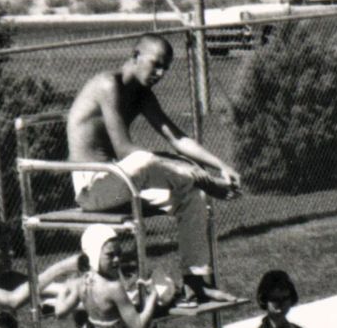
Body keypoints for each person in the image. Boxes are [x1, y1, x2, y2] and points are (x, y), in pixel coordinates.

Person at [63, 33, 240, 212]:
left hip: (120, 182)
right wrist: (179, 166)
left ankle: (203, 194)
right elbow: (124, 150)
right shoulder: (107, 85)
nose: (160, 74)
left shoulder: (143, 95)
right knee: (147, 160)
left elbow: (177, 139)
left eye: (165, 69)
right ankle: (206, 181)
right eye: (156, 65)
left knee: (192, 194)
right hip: (92, 189)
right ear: (136, 56)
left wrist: (221, 166)